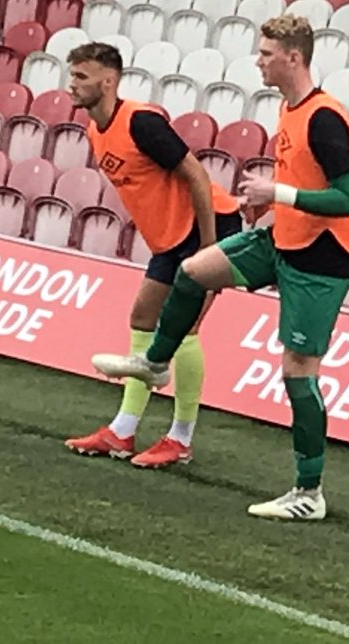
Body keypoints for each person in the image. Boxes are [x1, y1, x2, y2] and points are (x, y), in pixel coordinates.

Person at [93, 15, 349, 520]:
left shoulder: (325, 117)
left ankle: (309, 493)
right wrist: (273, 205)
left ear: (293, 57)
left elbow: (346, 200)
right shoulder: (290, 108)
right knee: (194, 271)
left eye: (266, 53)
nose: (258, 60)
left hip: (322, 257)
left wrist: (275, 192)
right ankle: (155, 363)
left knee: (298, 374)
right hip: (284, 235)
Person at [63, 42, 242, 468]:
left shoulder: (141, 122)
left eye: (82, 77)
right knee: (143, 317)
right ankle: (122, 431)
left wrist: (210, 247)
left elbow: (197, 174)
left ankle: (180, 438)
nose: (73, 84)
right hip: (170, 237)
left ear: (109, 81)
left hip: (206, 228)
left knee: (185, 331)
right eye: (72, 75)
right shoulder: (95, 129)